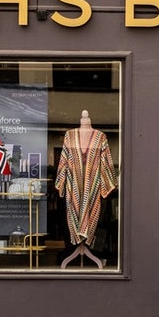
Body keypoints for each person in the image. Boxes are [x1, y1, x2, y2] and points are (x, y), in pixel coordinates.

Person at [54, 110, 117, 267]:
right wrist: (62, 183)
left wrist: (105, 184)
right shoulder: (69, 136)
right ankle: (78, 243)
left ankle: (85, 243)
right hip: (73, 185)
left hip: (92, 187)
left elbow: (106, 164)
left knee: (92, 212)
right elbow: (63, 162)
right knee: (74, 212)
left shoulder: (100, 136)